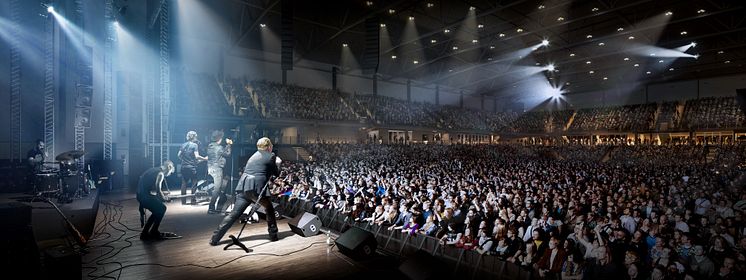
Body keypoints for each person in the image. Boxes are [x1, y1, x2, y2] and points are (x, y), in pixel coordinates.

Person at [210, 137, 281, 246]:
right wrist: (278, 163)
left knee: (233, 214)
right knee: (269, 208)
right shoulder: (271, 156)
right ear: (269, 146)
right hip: (255, 189)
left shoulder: (254, 155)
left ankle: (215, 238)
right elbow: (276, 173)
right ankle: (273, 235)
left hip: (244, 187)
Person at [137, 160, 180, 240]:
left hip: (141, 195)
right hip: (144, 196)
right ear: (169, 167)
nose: (169, 175)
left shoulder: (153, 170)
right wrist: (164, 198)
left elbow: (143, 184)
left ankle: (146, 232)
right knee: (162, 208)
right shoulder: (160, 174)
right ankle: (153, 231)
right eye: (170, 173)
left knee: (157, 210)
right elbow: (158, 188)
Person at [178, 131, 208, 205]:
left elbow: (178, 155)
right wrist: (205, 159)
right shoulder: (194, 145)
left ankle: (183, 201)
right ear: (194, 137)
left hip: (183, 166)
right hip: (191, 167)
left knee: (184, 183)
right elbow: (197, 156)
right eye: (196, 137)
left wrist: (184, 160)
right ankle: (193, 200)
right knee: (194, 183)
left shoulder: (183, 144)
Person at [207, 130, 232, 214]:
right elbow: (227, 154)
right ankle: (211, 208)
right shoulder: (219, 147)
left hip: (210, 168)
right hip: (217, 169)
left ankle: (219, 207)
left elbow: (220, 153)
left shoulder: (210, 146)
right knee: (217, 189)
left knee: (220, 188)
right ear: (219, 138)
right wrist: (229, 145)